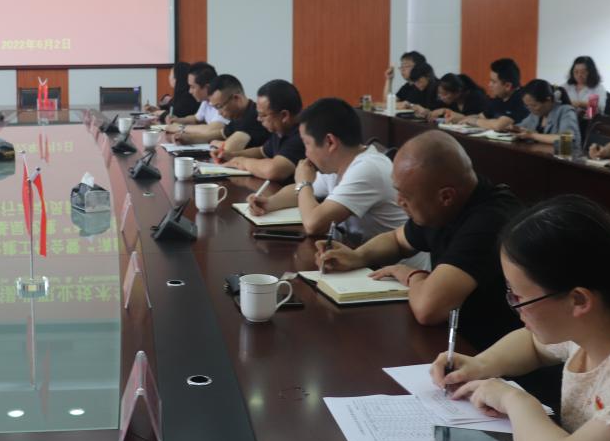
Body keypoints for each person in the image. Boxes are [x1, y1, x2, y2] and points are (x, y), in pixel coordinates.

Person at [430, 196, 610, 441]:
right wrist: (480, 364)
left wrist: (514, 400)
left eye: (518, 297)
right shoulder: (602, 321)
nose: (514, 306)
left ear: (579, 300)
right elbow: (532, 343)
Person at [313, 130, 522, 349]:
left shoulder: (490, 222)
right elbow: (397, 239)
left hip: (488, 352)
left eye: (405, 195)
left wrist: (413, 275)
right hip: (452, 338)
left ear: (446, 196)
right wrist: (357, 256)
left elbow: (428, 309)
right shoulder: (446, 203)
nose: (398, 201)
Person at [247, 99, 428, 269]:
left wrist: (303, 182)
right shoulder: (338, 165)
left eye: (307, 144)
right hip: (363, 263)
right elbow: (299, 193)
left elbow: (313, 224)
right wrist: (270, 203)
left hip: (399, 276)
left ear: (330, 142)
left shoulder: (368, 168)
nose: (306, 153)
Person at [218, 79, 305, 183]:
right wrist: (231, 155)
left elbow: (274, 170)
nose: (258, 119)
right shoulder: (281, 129)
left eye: (263, 115)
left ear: (284, 115)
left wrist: (242, 162)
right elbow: (262, 151)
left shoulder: (302, 134)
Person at [448, 58, 528, 131]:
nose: (489, 85)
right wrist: (461, 119)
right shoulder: (499, 98)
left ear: (507, 86)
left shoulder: (522, 99)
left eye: (493, 82)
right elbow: (481, 117)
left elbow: (498, 125)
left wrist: (474, 121)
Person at [205, 74, 270, 157]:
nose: (219, 113)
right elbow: (221, 133)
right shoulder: (238, 115)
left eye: (219, 107)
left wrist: (216, 143)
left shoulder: (254, 117)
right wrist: (190, 137)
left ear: (236, 98)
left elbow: (226, 151)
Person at [514, 79, 581, 152]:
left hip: (564, 156)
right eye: (527, 106)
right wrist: (513, 128)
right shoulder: (536, 113)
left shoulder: (566, 111)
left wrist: (533, 136)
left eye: (534, 105)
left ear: (548, 100)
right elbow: (522, 127)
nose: (530, 109)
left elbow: (567, 139)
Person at [167, 62, 227, 141]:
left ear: (207, 88)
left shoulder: (223, 102)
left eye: (192, 87)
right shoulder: (206, 100)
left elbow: (211, 129)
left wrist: (180, 127)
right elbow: (196, 118)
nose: (190, 91)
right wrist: (179, 120)